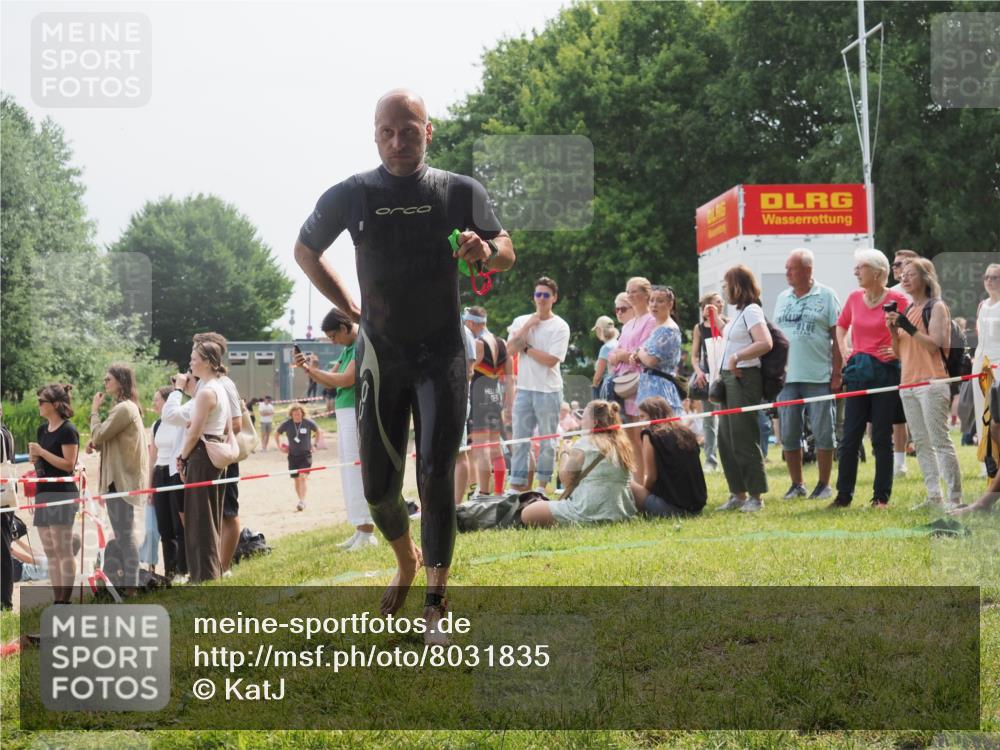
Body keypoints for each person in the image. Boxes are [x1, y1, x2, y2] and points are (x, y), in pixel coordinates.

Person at [294, 88, 515, 634]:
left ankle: (437, 603)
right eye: (388, 131)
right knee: (378, 491)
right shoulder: (352, 194)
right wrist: (347, 305)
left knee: (437, 473)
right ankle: (405, 559)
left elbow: (506, 248)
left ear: (428, 130)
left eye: (409, 130)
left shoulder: (458, 191)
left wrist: (486, 251)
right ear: (374, 133)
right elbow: (305, 250)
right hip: (381, 358)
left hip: (440, 353)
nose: (398, 142)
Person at [830, 249, 910, 509]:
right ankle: (843, 496)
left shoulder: (898, 299)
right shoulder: (854, 298)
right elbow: (841, 326)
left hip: (885, 372)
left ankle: (881, 498)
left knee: (880, 438)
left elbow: (911, 332)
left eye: (860, 267)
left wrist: (896, 348)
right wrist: (844, 350)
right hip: (858, 373)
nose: (855, 272)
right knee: (850, 437)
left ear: (878, 273)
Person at [298, 307, 377, 551]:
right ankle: (359, 528)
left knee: (356, 471)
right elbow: (328, 381)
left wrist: (313, 371)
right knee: (347, 471)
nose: (333, 342)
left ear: (344, 328)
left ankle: (367, 530)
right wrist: (308, 369)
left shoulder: (360, 344)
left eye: (334, 336)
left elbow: (344, 380)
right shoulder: (346, 350)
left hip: (356, 411)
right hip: (344, 413)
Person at [886, 257, 963, 508]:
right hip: (907, 383)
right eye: (903, 275)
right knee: (920, 443)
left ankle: (955, 499)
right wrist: (892, 330)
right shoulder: (908, 310)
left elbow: (934, 344)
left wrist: (906, 326)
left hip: (932, 382)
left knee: (940, 441)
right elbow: (899, 353)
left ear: (926, 278)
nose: (904, 278)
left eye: (911, 274)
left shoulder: (936, 307)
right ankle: (934, 496)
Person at [772, 249, 843, 501]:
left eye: (792, 268)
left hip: (819, 377)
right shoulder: (782, 297)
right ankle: (797, 484)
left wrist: (837, 372)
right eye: (787, 268)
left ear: (808, 270)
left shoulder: (827, 295)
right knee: (789, 433)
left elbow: (838, 337)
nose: (787, 273)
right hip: (787, 379)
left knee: (824, 432)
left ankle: (824, 484)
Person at [520, 400, 637, 527]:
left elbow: (566, 480)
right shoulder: (623, 445)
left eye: (584, 417)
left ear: (595, 423)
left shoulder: (584, 442)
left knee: (528, 513)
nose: (581, 422)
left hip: (587, 511)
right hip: (621, 513)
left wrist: (564, 452)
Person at [715, 265, 773, 513]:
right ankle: (737, 493)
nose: (723, 289)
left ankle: (756, 496)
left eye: (726, 284)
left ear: (737, 285)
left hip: (744, 377)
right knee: (725, 439)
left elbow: (765, 342)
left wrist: (736, 357)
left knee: (743, 437)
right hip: (729, 379)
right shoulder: (738, 313)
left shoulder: (752, 310)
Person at [507, 277, 571, 494]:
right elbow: (510, 349)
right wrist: (528, 326)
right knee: (520, 440)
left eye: (546, 295)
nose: (541, 299)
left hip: (549, 391)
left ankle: (543, 486)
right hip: (524, 389)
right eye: (538, 294)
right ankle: (516, 486)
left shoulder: (560, 326)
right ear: (533, 297)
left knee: (547, 441)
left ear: (554, 298)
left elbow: (552, 359)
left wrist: (527, 349)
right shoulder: (521, 321)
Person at [88, 365, 148, 589]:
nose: (105, 383)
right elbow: (111, 441)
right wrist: (97, 444)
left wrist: (95, 410)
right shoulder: (126, 408)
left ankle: (131, 585)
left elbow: (99, 433)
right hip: (121, 481)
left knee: (125, 535)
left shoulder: (124, 408)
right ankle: (128, 583)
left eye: (109, 379)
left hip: (121, 482)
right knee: (124, 533)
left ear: (121, 382)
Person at [175, 341, 230, 583]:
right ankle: (206, 573)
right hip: (212, 453)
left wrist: (182, 456)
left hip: (202, 455)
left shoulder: (207, 391)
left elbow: (194, 431)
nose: (190, 362)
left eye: (194, 358)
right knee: (207, 517)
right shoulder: (217, 388)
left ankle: (204, 576)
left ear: (207, 361)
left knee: (200, 519)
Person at [28, 384, 81, 603]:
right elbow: (48, 461)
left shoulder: (68, 430)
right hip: (43, 492)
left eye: (42, 401)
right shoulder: (42, 430)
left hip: (62, 494)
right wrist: (36, 459)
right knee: (50, 551)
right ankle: (57, 597)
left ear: (55, 404)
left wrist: (42, 452)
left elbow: (69, 464)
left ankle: (64, 600)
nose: (38, 405)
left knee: (63, 549)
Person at [608, 277, 657, 480]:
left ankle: (650, 478)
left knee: (644, 435)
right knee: (631, 435)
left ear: (646, 294)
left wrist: (623, 355)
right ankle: (637, 480)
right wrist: (622, 356)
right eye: (628, 291)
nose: (629, 295)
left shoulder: (651, 320)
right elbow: (614, 357)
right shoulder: (628, 325)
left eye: (634, 291)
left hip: (642, 384)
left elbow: (643, 353)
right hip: (625, 385)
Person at [630, 396, 706, 518]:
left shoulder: (649, 434)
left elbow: (651, 477)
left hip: (673, 508)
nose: (640, 421)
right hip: (697, 506)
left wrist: (644, 493)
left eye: (643, 416)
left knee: (628, 484)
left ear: (653, 415)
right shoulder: (686, 431)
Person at [466, 306, 511, 496]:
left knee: (480, 447)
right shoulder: (501, 343)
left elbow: (467, 372)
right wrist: (508, 404)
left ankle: (483, 492)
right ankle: (499, 491)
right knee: (495, 446)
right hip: (494, 393)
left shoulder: (478, 343)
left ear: (471, 323)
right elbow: (510, 379)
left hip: (479, 393)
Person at [149, 385, 186, 580]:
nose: (154, 403)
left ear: (167, 400)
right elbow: (152, 457)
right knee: (164, 528)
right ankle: (170, 572)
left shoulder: (180, 422)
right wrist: (149, 487)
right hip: (159, 475)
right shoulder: (156, 425)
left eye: (156, 399)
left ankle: (183, 569)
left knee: (178, 525)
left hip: (174, 474)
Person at [633, 285, 684, 418]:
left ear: (670, 304)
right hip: (648, 386)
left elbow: (651, 360)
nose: (654, 305)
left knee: (659, 433)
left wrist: (639, 351)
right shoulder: (657, 327)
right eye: (651, 300)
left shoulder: (668, 330)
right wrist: (638, 356)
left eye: (660, 301)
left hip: (660, 388)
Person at [890, 249, 919, 475]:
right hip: (899, 358)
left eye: (900, 265)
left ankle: (927, 451)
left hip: (921, 358)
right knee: (898, 413)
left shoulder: (924, 294)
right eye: (894, 265)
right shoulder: (890, 293)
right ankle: (900, 463)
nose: (895, 269)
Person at [691, 292, 726, 472]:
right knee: (709, 420)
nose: (721, 304)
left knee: (726, 418)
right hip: (707, 375)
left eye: (721, 301)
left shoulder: (727, 324)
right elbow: (695, 355)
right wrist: (698, 372)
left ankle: (727, 456)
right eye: (716, 302)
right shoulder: (699, 328)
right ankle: (710, 459)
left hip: (725, 374)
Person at [973, 264, 1000, 452]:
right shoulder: (982, 305)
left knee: (998, 414)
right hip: (980, 362)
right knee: (980, 409)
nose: (989, 281)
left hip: (998, 362)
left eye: (995, 277)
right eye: (987, 277)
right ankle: (987, 460)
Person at [276, 404, 321, 512]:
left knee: (302, 477)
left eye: (299, 413)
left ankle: (302, 501)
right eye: (295, 414)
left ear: (302, 413)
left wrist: (315, 445)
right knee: (296, 480)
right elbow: (276, 434)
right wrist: (280, 447)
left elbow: (318, 431)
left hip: (306, 455)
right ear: (291, 414)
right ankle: (300, 500)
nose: (297, 416)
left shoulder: (308, 422)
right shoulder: (287, 424)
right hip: (292, 456)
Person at [591, 315, 619, 401]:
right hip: (618, 385)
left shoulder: (606, 347)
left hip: (607, 388)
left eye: (596, 330)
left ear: (600, 330)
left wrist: (594, 386)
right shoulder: (617, 343)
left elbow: (598, 376)